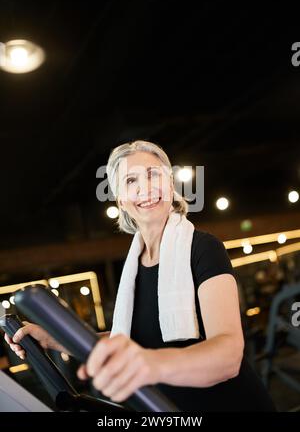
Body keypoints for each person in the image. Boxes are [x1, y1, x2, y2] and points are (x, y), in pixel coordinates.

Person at [4, 140, 275, 411]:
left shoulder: (203, 248)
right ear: (121, 199)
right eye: (131, 180)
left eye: (153, 174)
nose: (144, 188)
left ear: (171, 184)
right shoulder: (133, 266)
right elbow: (129, 341)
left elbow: (228, 356)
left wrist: (149, 364)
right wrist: (53, 338)